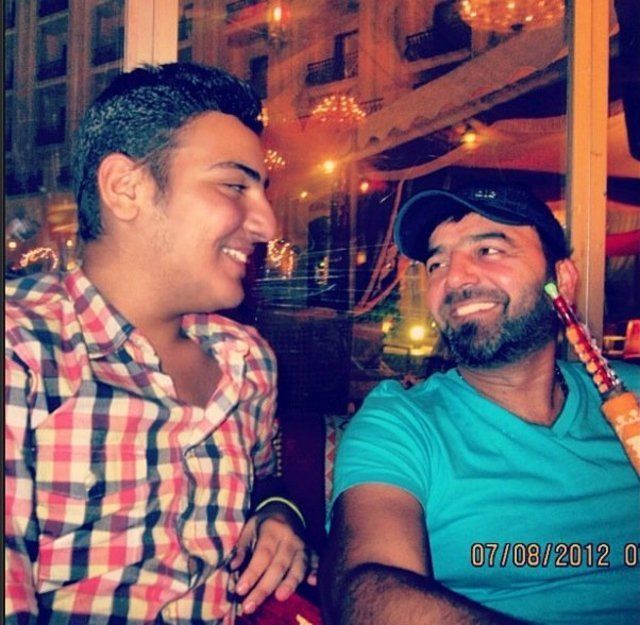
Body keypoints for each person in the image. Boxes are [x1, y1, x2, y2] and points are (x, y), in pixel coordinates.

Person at [5, 63, 310, 625]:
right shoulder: (22, 347)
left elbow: (263, 478)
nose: (268, 224)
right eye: (235, 185)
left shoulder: (248, 360)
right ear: (127, 188)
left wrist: (278, 511)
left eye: (262, 191)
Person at [320, 183, 640, 625]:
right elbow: (367, 591)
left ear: (562, 282)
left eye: (488, 250)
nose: (453, 279)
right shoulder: (403, 424)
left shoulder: (631, 394)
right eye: (437, 263)